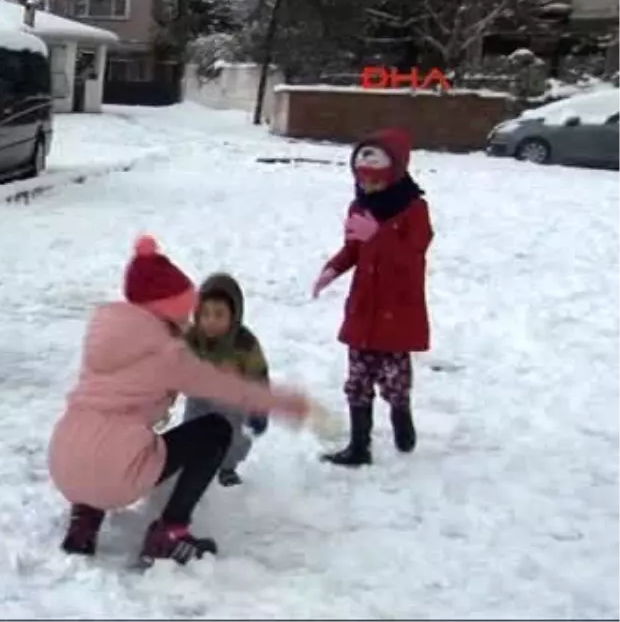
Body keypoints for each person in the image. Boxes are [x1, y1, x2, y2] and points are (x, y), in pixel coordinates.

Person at [48, 235, 315, 568]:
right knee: (216, 430)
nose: (189, 321)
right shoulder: (167, 353)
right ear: (170, 310)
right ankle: (170, 532)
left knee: (104, 434)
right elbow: (227, 387)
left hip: (63, 463)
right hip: (116, 474)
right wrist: (282, 402)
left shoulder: (105, 335)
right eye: (184, 313)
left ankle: (84, 521)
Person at [312, 127, 433, 466]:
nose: (368, 187)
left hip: (398, 307)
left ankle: (400, 411)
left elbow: (412, 255)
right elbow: (353, 249)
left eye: (375, 180)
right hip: (364, 307)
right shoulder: (359, 206)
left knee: (394, 377)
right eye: (362, 179)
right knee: (357, 380)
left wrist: (378, 235)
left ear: (393, 175)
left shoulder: (415, 209)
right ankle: (359, 446)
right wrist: (332, 269)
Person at [181, 273, 271, 487]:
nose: (211, 321)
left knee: (233, 437)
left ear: (234, 315)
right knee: (190, 431)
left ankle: (227, 467)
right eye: (205, 314)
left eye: (219, 314)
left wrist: (259, 409)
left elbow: (258, 375)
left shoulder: (244, 343)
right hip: (199, 396)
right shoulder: (192, 338)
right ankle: (190, 462)